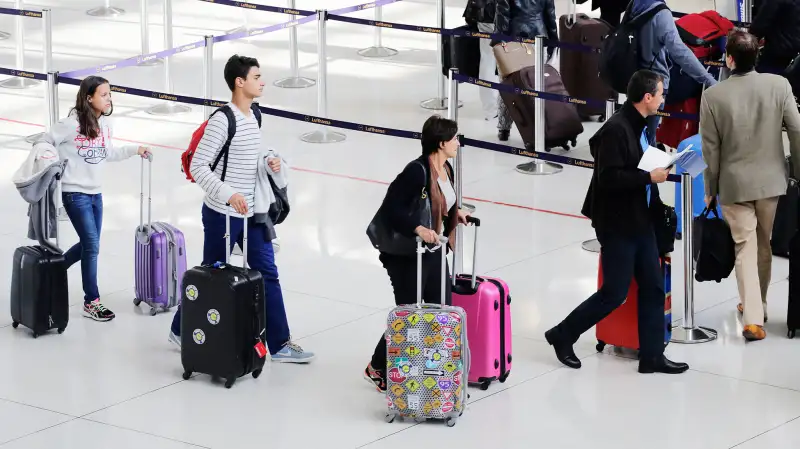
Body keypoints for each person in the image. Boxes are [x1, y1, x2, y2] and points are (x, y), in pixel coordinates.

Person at [168, 55, 314, 363]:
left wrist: (269, 161)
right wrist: (228, 193)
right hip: (222, 215)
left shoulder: (255, 116)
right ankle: (180, 329)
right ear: (240, 82)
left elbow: (249, 157)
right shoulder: (223, 120)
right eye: (257, 76)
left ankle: (280, 344)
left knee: (268, 273)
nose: (262, 82)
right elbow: (199, 167)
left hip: (252, 214)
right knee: (210, 274)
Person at [544, 70, 689, 374]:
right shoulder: (615, 130)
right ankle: (563, 334)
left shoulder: (642, 125)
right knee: (614, 292)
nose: (663, 99)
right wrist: (649, 177)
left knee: (652, 287)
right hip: (618, 223)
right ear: (647, 97)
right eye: (660, 93)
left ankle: (651, 356)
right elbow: (608, 178)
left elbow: (636, 159)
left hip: (642, 218)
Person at [700, 31, 800, 341]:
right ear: (757, 56)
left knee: (744, 245)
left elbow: (710, 149)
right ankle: (760, 304)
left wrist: (710, 187)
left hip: (734, 183)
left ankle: (753, 318)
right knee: (763, 244)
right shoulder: (779, 85)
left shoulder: (713, 96)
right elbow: (796, 130)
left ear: (728, 59)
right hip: (772, 181)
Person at [363, 115, 472, 392]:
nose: (458, 142)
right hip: (406, 254)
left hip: (433, 250)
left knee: (440, 308)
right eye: (455, 138)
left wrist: (454, 214)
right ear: (441, 142)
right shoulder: (416, 171)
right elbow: (392, 208)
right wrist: (418, 228)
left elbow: (442, 203)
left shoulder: (447, 168)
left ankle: (430, 367)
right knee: (409, 313)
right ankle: (377, 365)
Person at [34, 76, 151, 322]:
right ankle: (91, 301)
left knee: (90, 245)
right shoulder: (69, 124)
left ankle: (51, 271)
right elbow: (44, 140)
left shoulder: (105, 126)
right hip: (74, 194)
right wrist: (49, 160)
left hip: (96, 194)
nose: (109, 99)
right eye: (104, 95)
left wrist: (134, 150)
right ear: (89, 98)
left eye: (109, 94)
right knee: (92, 246)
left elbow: (109, 153)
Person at [627, 0, 717, 145]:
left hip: (633, 78)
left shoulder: (635, 4)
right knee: (648, 139)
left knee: (635, 133)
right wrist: (707, 79)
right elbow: (679, 52)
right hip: (654, 83)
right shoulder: (661, 13)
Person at [492, 0, 558, 141]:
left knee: (507, 85)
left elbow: (502, 17)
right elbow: (550, 16)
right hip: (539, 38)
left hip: (513, 41)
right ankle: (540, 129)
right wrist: (554, 41)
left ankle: (504, 128)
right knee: (537, 86)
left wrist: (497, 41)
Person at [463, 0, 498, 120]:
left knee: (488, 59)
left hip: (484, 13)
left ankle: (490, 109)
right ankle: (495, 108)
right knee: (496, 60)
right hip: (500, 13)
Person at [750, 0, 800, 74]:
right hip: (794, 51)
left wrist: (750, 41)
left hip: (778, 49)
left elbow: (762, 22)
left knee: (764, 78)